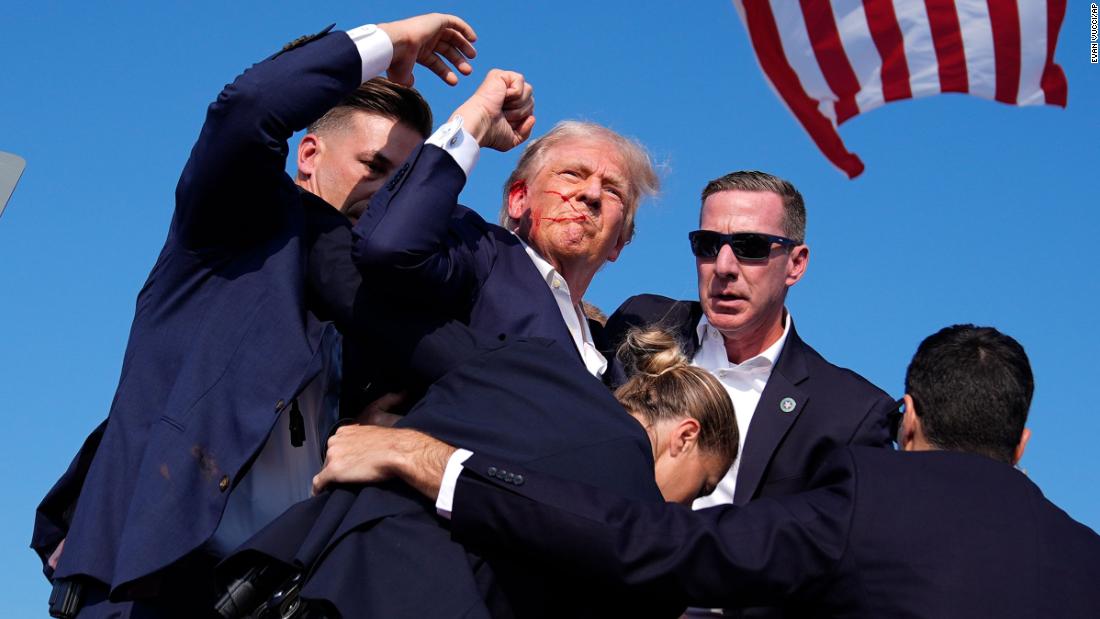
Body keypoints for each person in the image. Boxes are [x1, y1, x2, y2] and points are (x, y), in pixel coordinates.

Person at [30, 13, 534, 618]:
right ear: (309, 154)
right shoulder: (232, 229)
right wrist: (393, 41)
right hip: (144, 592)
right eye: (373, 167)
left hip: (267, 598)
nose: (386, 193)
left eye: (404, 182)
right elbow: (248, 107)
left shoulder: (378, 310)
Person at [321, 324, 1100, 618]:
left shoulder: (871, 495)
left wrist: (432, 459)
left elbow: (653, 543)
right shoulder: (1085, 559)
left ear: (907, 417)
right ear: (1023, 441)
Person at [218, 321, 736, 618]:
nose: (687, 505)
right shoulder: (636, 512)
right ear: (685, 436)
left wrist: (401, 435)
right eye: (702, 484)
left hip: (288, 571)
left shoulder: (531, 364)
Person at [603, 171, 894, 514]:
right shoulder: (640, 319)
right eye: (708, 245)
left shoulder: (850, 413)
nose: (724, 266)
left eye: (750, 247)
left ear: (796, 264)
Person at [351, 118, 659, 379]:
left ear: (618, 242)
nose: (592, 193)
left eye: (612, 190)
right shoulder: (480, 254)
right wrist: (475, 121)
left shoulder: (609, 359)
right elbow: (391, 247)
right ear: (518, 200)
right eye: (572, 174)